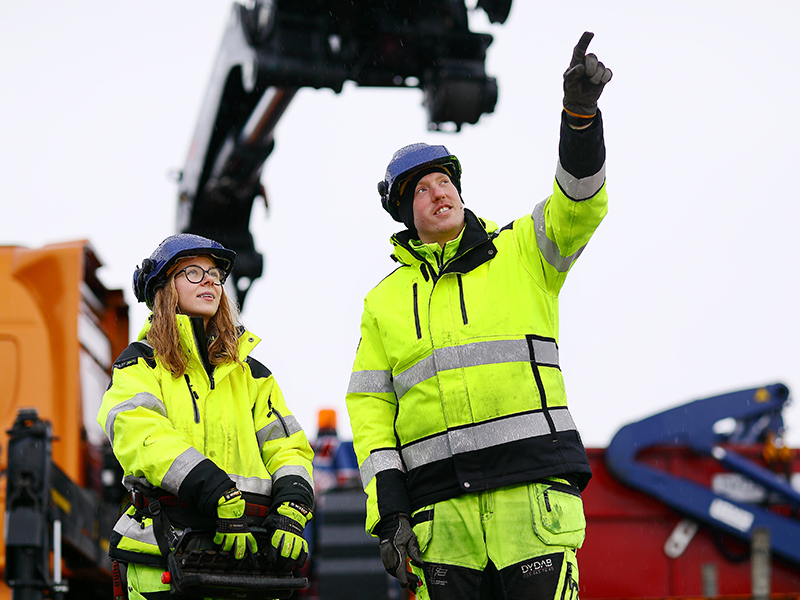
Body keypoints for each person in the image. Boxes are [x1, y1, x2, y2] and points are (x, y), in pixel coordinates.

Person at [345, 32, 611, 600]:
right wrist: (389, 512)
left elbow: (581, 201)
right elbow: (371, 412)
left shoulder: (525, 251)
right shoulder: (383, 303)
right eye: (423, 188)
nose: (439, 192)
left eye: (446, 181)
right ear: (406, 213)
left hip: (531, 512)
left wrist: (580, 119)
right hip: (441, 529)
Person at [97, 233, 314, 599]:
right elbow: (141, 435)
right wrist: (214, 492)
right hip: (168, 556)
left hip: (250, 560)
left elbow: (288, 447)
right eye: (194, 272)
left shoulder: (252, 374)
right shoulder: (139, 364)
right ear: (164, 287)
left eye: (215, 273)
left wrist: (293, 504)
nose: (211, 280)